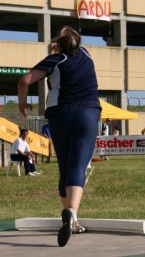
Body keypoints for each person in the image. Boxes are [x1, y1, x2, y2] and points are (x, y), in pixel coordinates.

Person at [17, 26, 101, 247]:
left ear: (59, 44)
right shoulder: (87, 55)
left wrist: (23, 103)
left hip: (60, 115)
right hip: (87, 114)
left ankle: (72, 221)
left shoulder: (54, 59)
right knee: (78, 167)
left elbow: (24, 80)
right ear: (78, 43)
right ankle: (71, 214)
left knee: (64, 168)